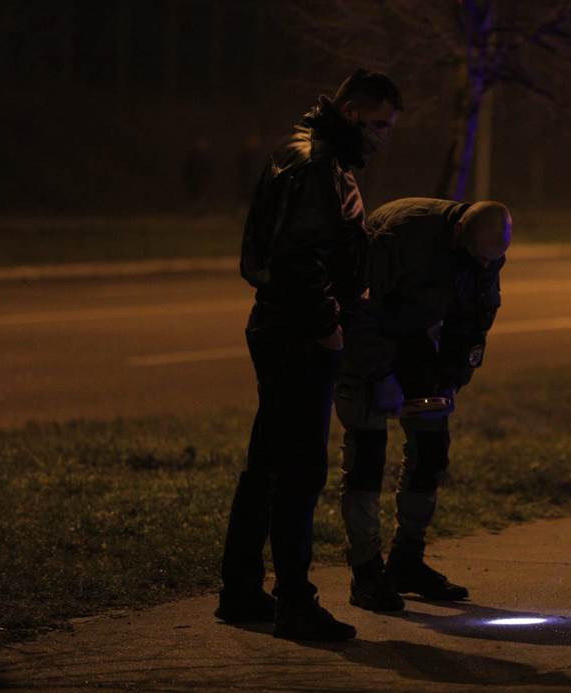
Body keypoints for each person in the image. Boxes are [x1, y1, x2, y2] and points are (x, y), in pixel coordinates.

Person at [216, 69, 403, 642]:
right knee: (299, 471)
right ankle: (294, 602)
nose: (382, 137)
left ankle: (241, 588)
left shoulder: (300, 152)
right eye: (377, 124)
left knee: (268, 462)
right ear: (350, 112)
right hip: (299, 333)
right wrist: (328, 328)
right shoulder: (319, 165)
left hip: (279, 324)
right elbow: (301, 256)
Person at [335, 197, 511, 612]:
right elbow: (357, 308)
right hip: (366, 342)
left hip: (415, 339)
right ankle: (366, 572)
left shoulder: (485, 251)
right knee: (367, 456)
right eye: (478, 257)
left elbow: (477, 312)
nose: (485, 266)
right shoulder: (400, 233)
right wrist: (380, 377)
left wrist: (454, 373)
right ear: (460, 233)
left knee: (431, 449)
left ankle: (406, 561)